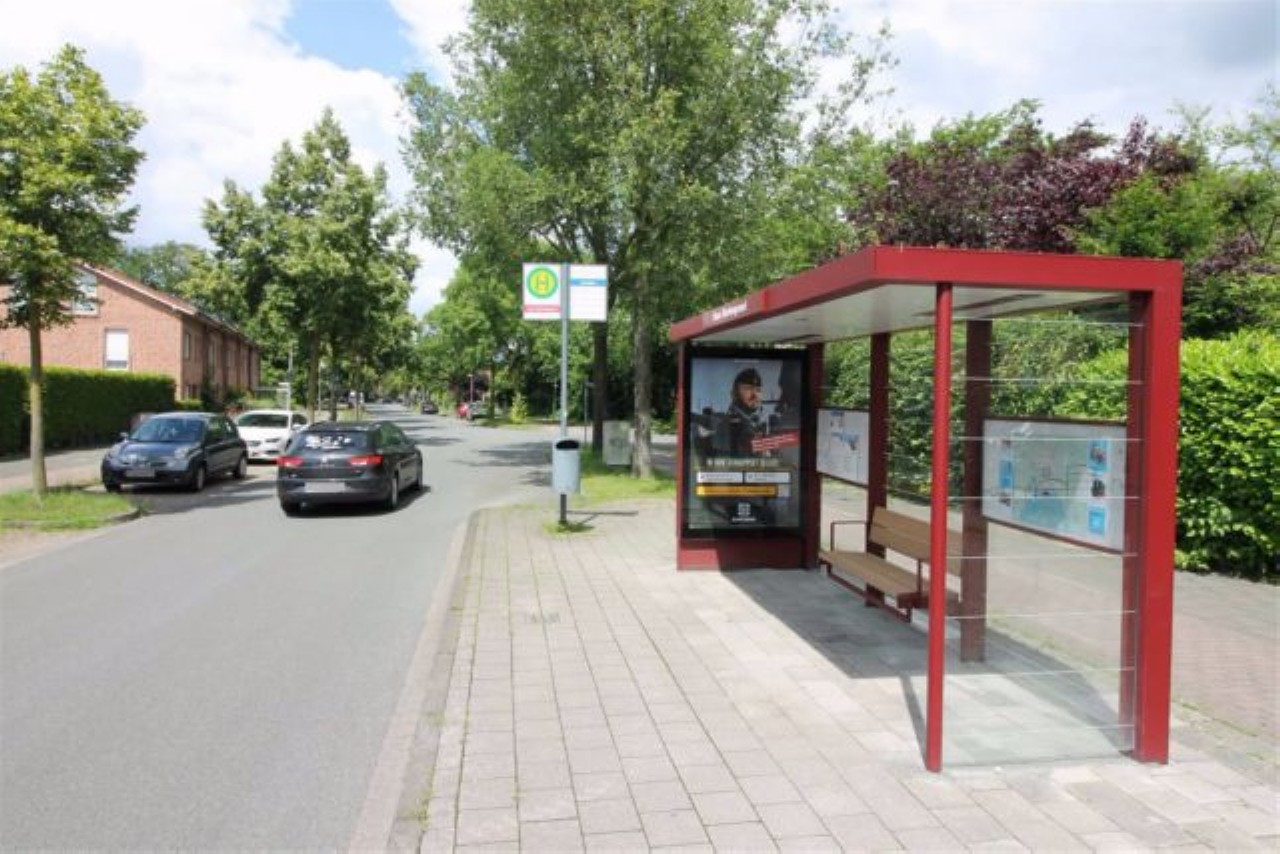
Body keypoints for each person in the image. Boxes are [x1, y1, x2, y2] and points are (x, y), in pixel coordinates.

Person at [715, 367, 768, 457]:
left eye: (758, 390)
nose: (755, 395)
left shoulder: (760, 423)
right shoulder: (727, 425)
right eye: (748, 389)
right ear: (734, 394)